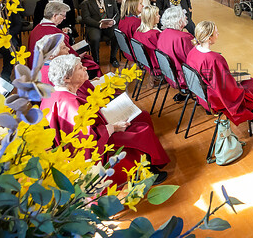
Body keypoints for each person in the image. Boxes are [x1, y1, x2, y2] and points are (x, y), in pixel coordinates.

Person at [41, 53, 169, 185]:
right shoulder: (70, 104)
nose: (85, 68)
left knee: (140, 117)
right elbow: (87, 141)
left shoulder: (54, 93)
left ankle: (148, 162)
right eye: (79, 68)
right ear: (67, 78)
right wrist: (113, 127)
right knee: (141, 130)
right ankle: (143, 171)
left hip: (92, 135)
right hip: (95, 148)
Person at [186, 20, 253, 133]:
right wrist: (237, 83)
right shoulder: (214, 59)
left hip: (201, 94)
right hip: (215, 98)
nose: (218, 34)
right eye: (216, 32)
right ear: (209, 38)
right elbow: (226, 87)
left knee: (248, 83)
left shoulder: (193, 51)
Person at [28, 1, 100, 78]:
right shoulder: (55, 33)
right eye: (63, 15)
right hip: (52, 71)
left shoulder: (37, 28)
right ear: (55, 15)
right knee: (92, 65)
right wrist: (78, 57)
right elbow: (67, 54)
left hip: (36, 69)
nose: (64, 18)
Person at [79, 0, 121, 67]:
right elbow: (86, 18)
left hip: (109, 25)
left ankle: (113, 58)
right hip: (95, 26)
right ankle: (96, 60)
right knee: (94, 38)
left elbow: (117, 14)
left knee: (117, 35)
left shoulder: (111, 1)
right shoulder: (86, 3)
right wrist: (99, 25)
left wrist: (113, 22)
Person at [157, 6, 193, 100]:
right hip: (184, 77)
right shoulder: (184, 38)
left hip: (170, 75)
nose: (186, 17)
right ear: (178, 20)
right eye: (183, 15)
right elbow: (193, 60)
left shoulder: (163, 34)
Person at [134, 5, 162, 74]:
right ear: (150, 18)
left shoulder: (137, 31)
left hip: (145, 62)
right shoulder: (154, 34)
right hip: (157, 63)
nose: (159, 16)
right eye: (157, 15)